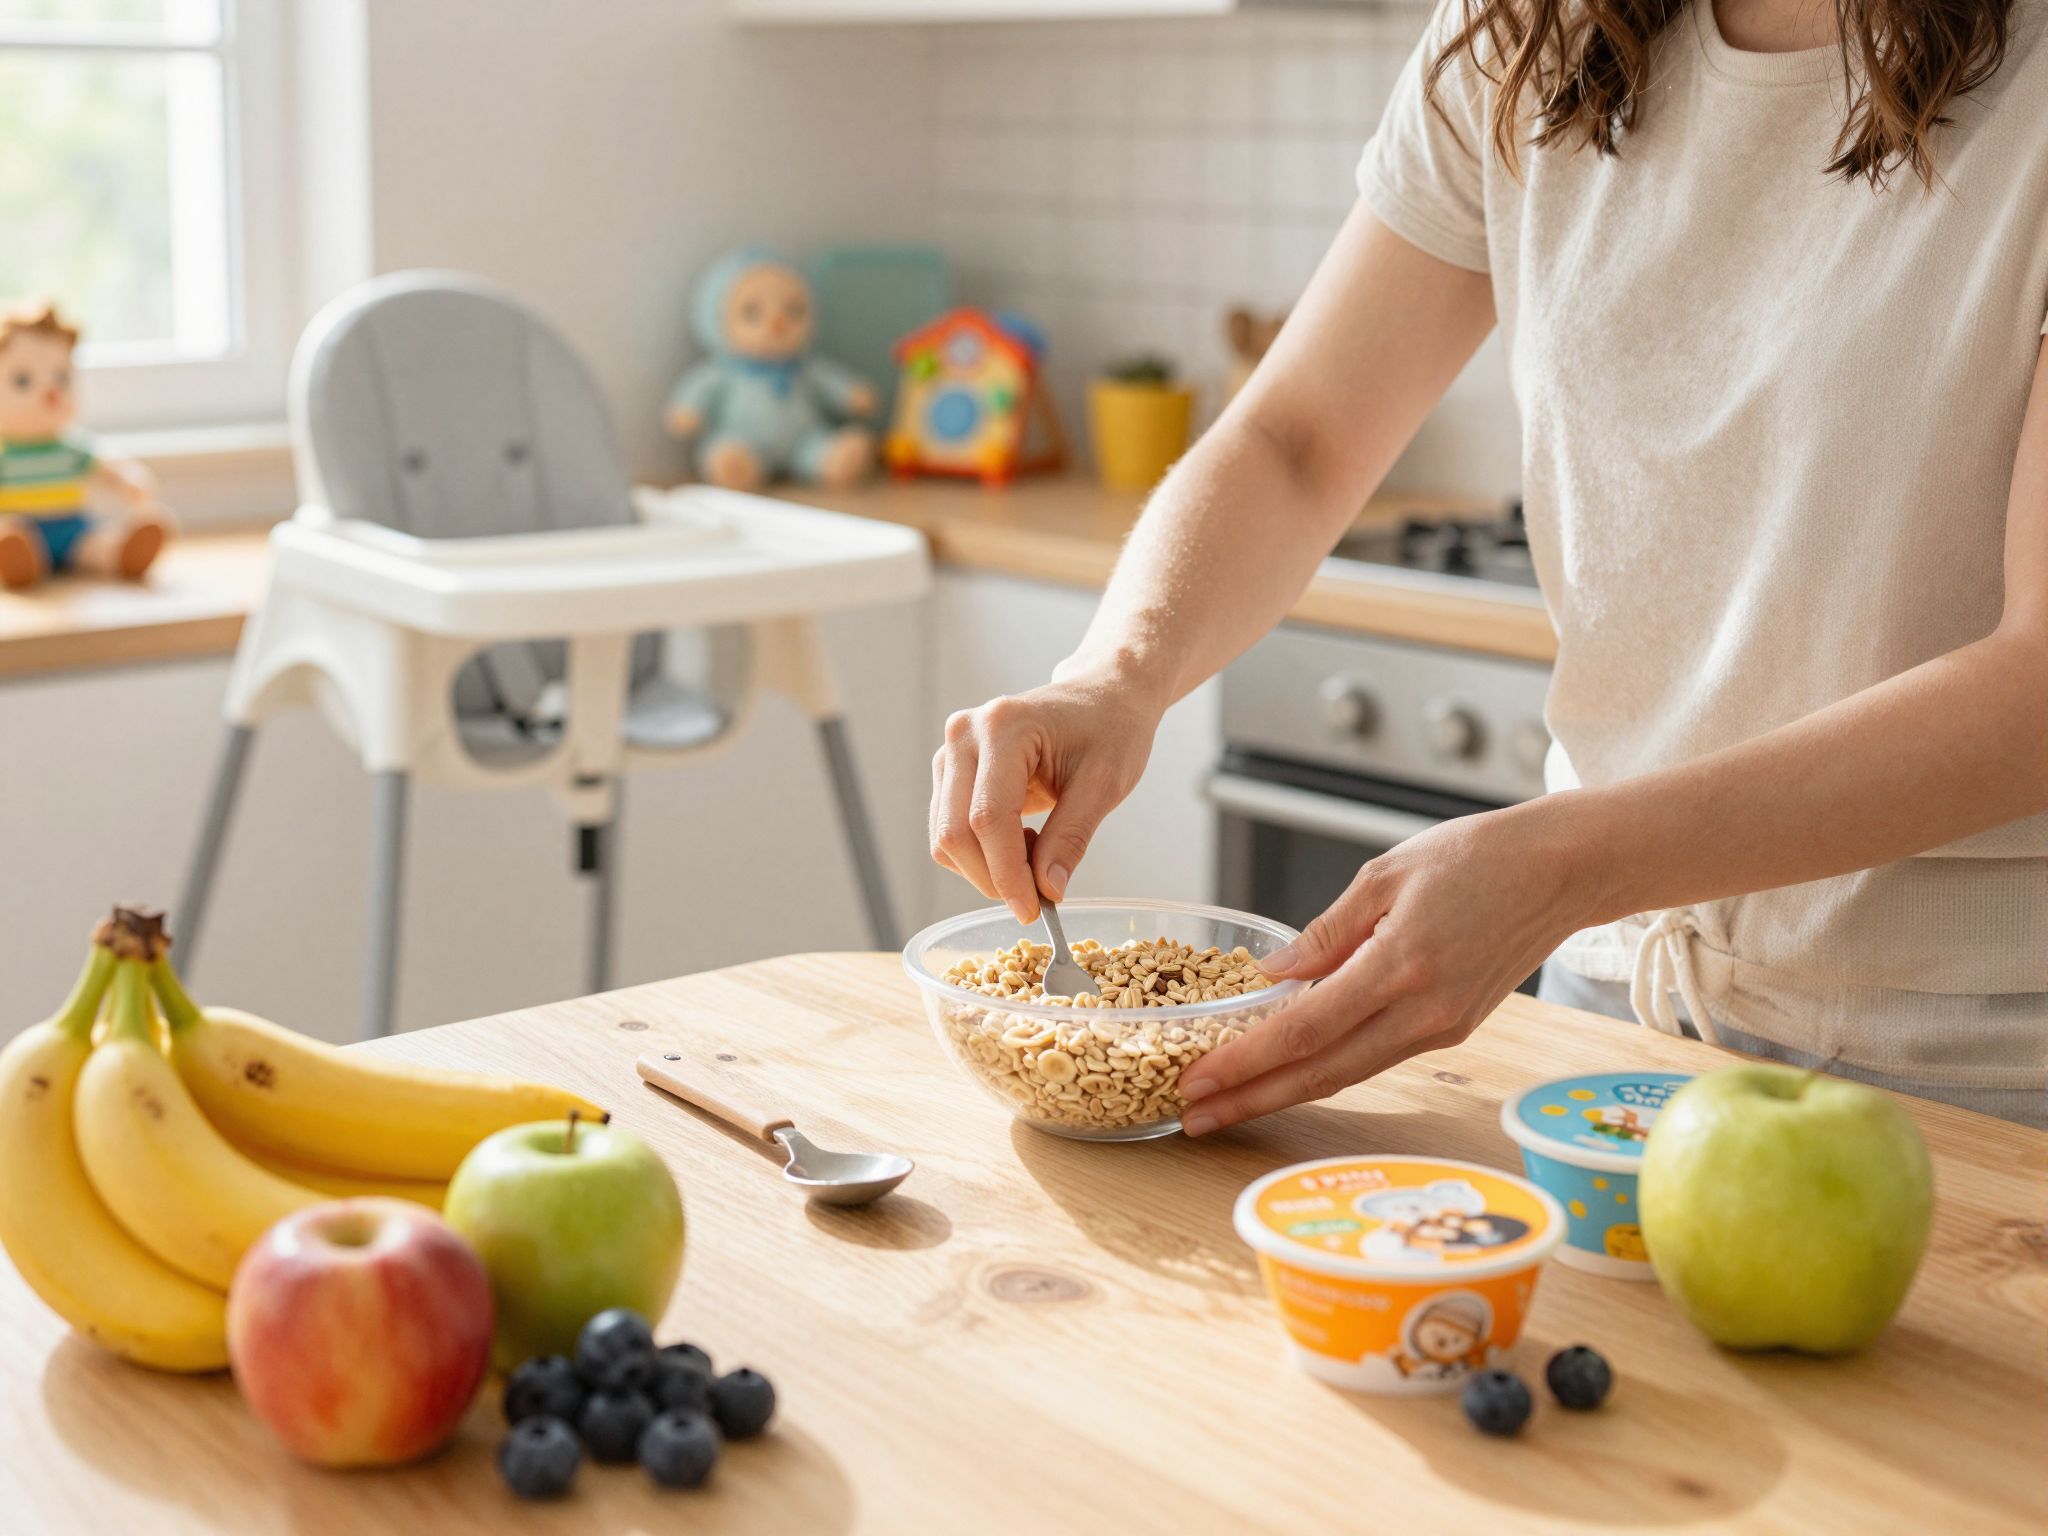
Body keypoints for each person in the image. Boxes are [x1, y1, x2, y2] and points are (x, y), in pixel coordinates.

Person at [928, 0, 2048, 1130]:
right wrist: (1115, 675)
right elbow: (1298, 439)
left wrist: (1564, 866)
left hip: (1970, 1068)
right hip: (1611, 1018)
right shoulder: (1526, 32)